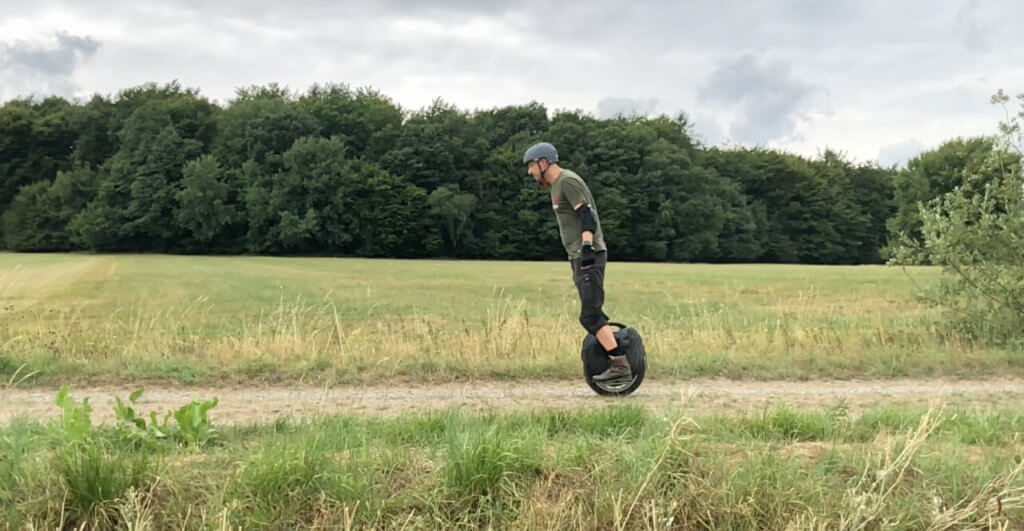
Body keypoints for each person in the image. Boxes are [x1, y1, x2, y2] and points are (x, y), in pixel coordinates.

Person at [523, 142, 631, 382]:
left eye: (531, 166)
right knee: (592, 313)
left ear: (543, 162)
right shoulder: (555, 187)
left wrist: (587, 247)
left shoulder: (567, 181)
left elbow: (586, 215)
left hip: (587, 256)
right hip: (577, 257)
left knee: (590, 316)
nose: (530, 172)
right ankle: (615, 349)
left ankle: (620, 366)